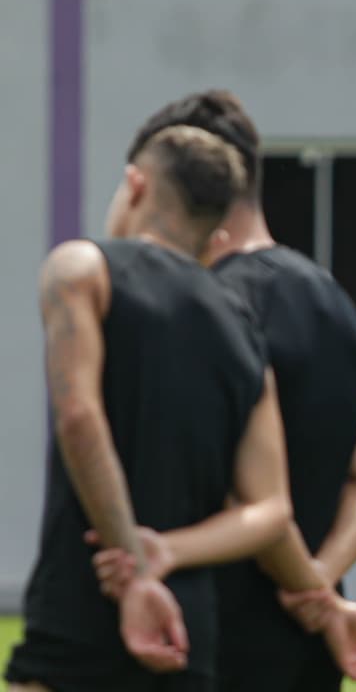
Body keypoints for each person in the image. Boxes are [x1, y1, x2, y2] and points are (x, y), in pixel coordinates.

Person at [111, 90, 356, 692]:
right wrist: (320, 586)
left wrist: (305, 586)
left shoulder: (208, 308)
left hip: (209, 636)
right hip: (307, 650)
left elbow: (256, 497)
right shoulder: (336, 303)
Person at [4, 126, 293, 692]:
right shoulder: (243, 327)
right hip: (186, 629)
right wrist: (164, 552)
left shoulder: (82, 269)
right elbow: (270, 510)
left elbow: (80, 418)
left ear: (135, 185)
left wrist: (133, 568)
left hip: (85, 606)